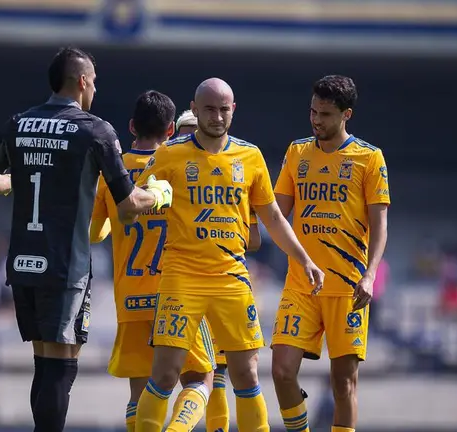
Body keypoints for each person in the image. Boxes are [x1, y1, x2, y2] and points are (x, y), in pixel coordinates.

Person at [0, 47, 173, 432]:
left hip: (22, 262)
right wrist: (159, 192)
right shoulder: (94, 130)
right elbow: (129, 205)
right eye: (93, 81)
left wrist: (18, 184)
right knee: (62, 365)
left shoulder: (19, 123)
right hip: (65, 265)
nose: (94, 88)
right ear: (81, 81)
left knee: (44, 362)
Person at [134, 78, 324, 432]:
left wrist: (305, 260)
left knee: (246, 374)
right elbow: (137, 199)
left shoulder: (249, 157)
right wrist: (147, 196)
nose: (217, 117)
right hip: (181, 279)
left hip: (231, 280)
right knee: (164, 373)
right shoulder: (170, 154)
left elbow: (273, 218)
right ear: (195, 108)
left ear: (233, 110)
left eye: (224, 109)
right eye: (209, 109)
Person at [91, 90, 224, 432]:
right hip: (175, 295)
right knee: (200, 379)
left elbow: (94, 234)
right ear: (170, 132)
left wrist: (114, 220)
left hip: (131, 296)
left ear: (132, 126)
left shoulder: (112, 175)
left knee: (141, 392)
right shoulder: (177, 168)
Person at [270, 75, 390, 432]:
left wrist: (369, 275)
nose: (316, 120)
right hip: (301, 283)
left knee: (343, 383)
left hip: (347, 289)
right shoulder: (296, 153)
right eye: (312, 111)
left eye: (325, 113)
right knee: (280, 371)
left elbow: (380, 225)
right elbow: (277, 214)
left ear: (346, 114)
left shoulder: (369, 158)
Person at [175, 108, 264, 431]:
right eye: (182, 134)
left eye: (191, 132)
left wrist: (222, 229)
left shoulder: (232, 170)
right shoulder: (171, 172)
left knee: (220, 375)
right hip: (183, 284)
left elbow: (253, 238)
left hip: (225, 281)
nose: (188, 139)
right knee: (194, 376)